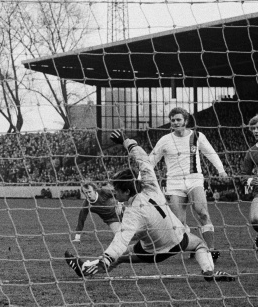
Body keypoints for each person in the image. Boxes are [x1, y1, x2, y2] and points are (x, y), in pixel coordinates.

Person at [65, 130, 235, 282]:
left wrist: (107, 258)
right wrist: (127, 142)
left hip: (155, 251)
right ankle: (208, 271)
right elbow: (144, 161)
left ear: (126, 192)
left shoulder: (132, 213)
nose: (113, 193)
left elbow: (121, 240)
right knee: (200, 245)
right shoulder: (151, 186)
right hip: (179, 238)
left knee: (120, 256)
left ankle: (86, 268)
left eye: (116, 190)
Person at [149, 107, 228, 260]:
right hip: (174, 182)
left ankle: (210, 249)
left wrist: (221, 170)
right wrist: (141, 178)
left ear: (186, 121)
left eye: (178, 119)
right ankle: (196, 245)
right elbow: (151, 160)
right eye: (172, 120)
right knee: (179, 223)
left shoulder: (197, 136)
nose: (175, 122)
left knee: (202, 212)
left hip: (194, 179)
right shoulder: (165, 140)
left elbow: (210, 152)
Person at [240, 115, 258, 250]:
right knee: (255, 219)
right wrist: (252, 180)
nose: (256, 131)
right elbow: (243, 175)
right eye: (253, 128)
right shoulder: (251, 152)